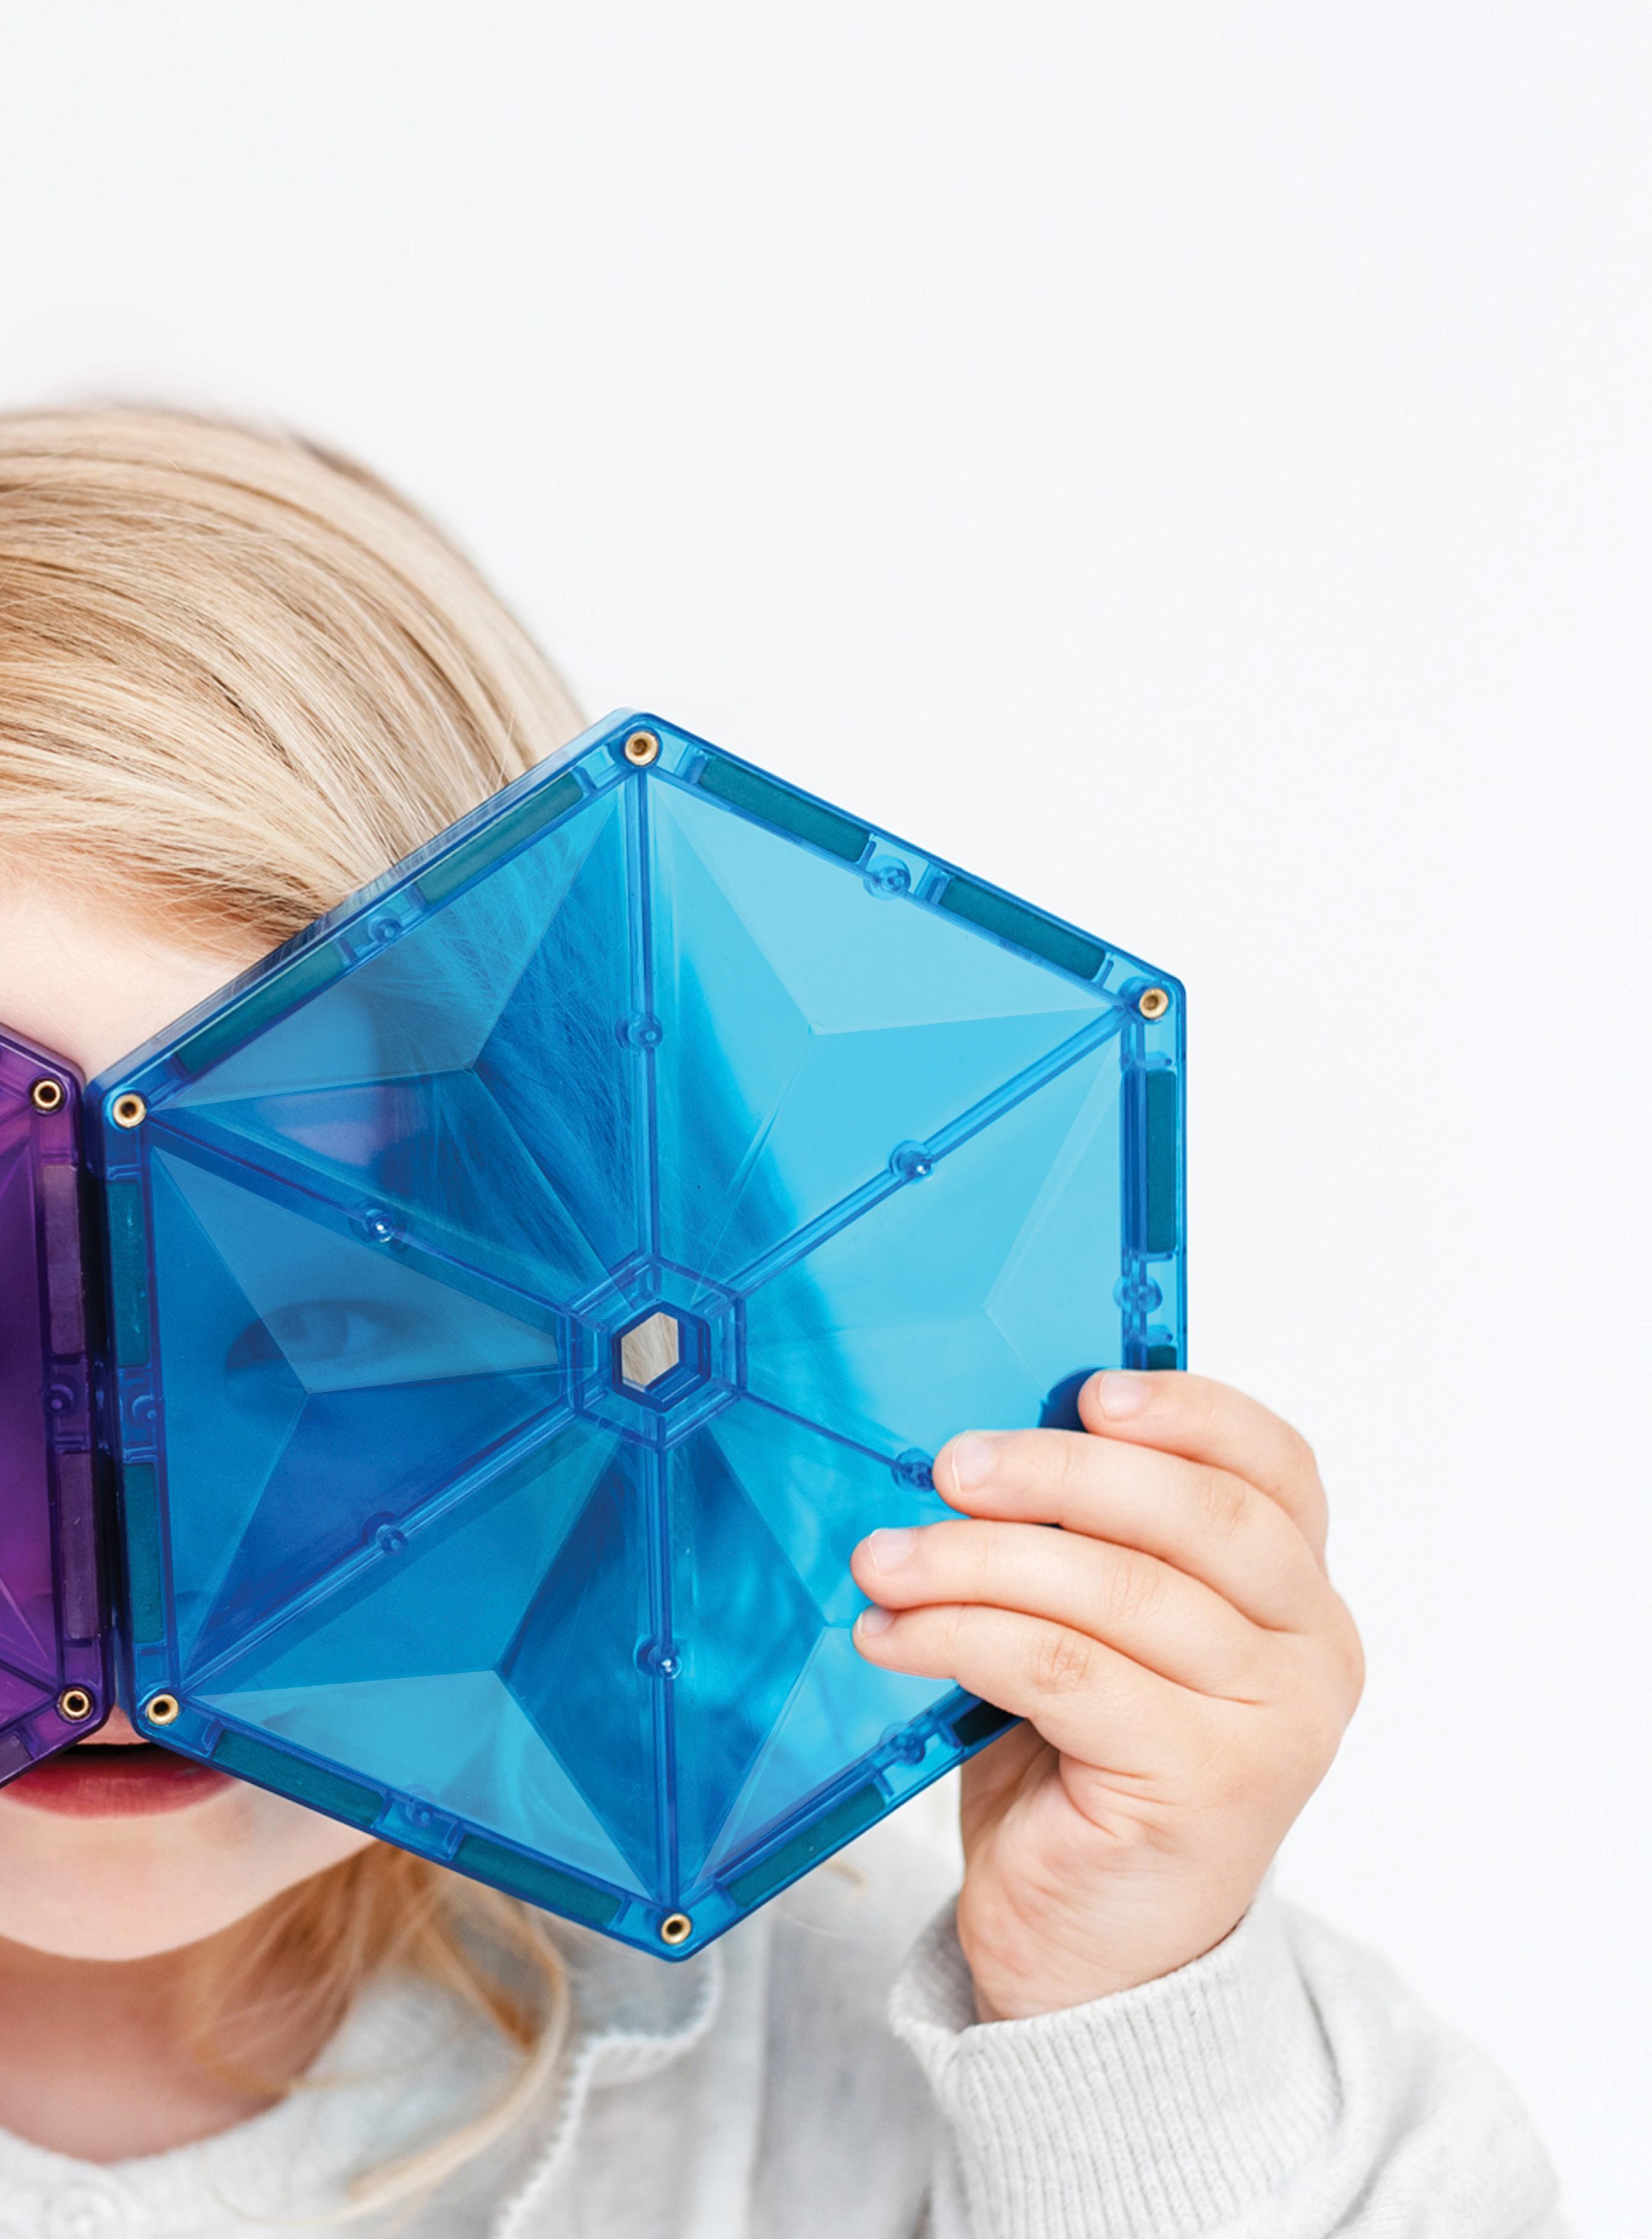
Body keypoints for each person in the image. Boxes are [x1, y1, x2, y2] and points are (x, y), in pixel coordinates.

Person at [0, 408, 1562, 2238]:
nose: (119, 1576)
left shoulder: (860, 2021)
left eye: (331, 1324)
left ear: (614, 1316)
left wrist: (1121, 2011)